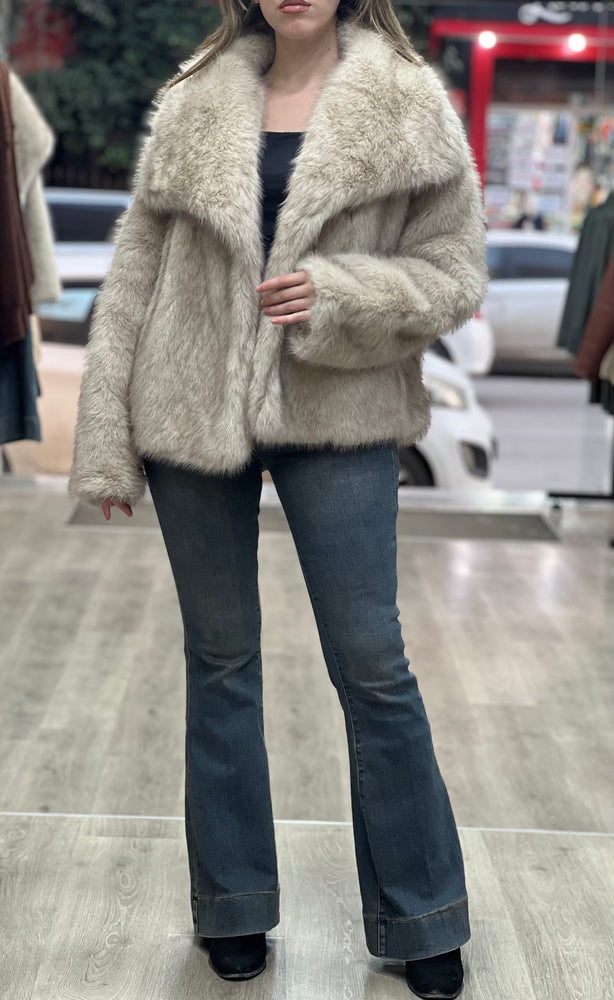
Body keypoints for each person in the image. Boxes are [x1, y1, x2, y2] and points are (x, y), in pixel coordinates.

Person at [68, 0, 489, 996]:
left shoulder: (404, 100)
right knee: (218, 661)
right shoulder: (194, 97)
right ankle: (233, 905)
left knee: (372, 662)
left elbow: (454, 273)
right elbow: (136, 272)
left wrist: (344, 292)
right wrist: (104, 440)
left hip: (338, 404)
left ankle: (422, 913)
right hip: (189, 406)